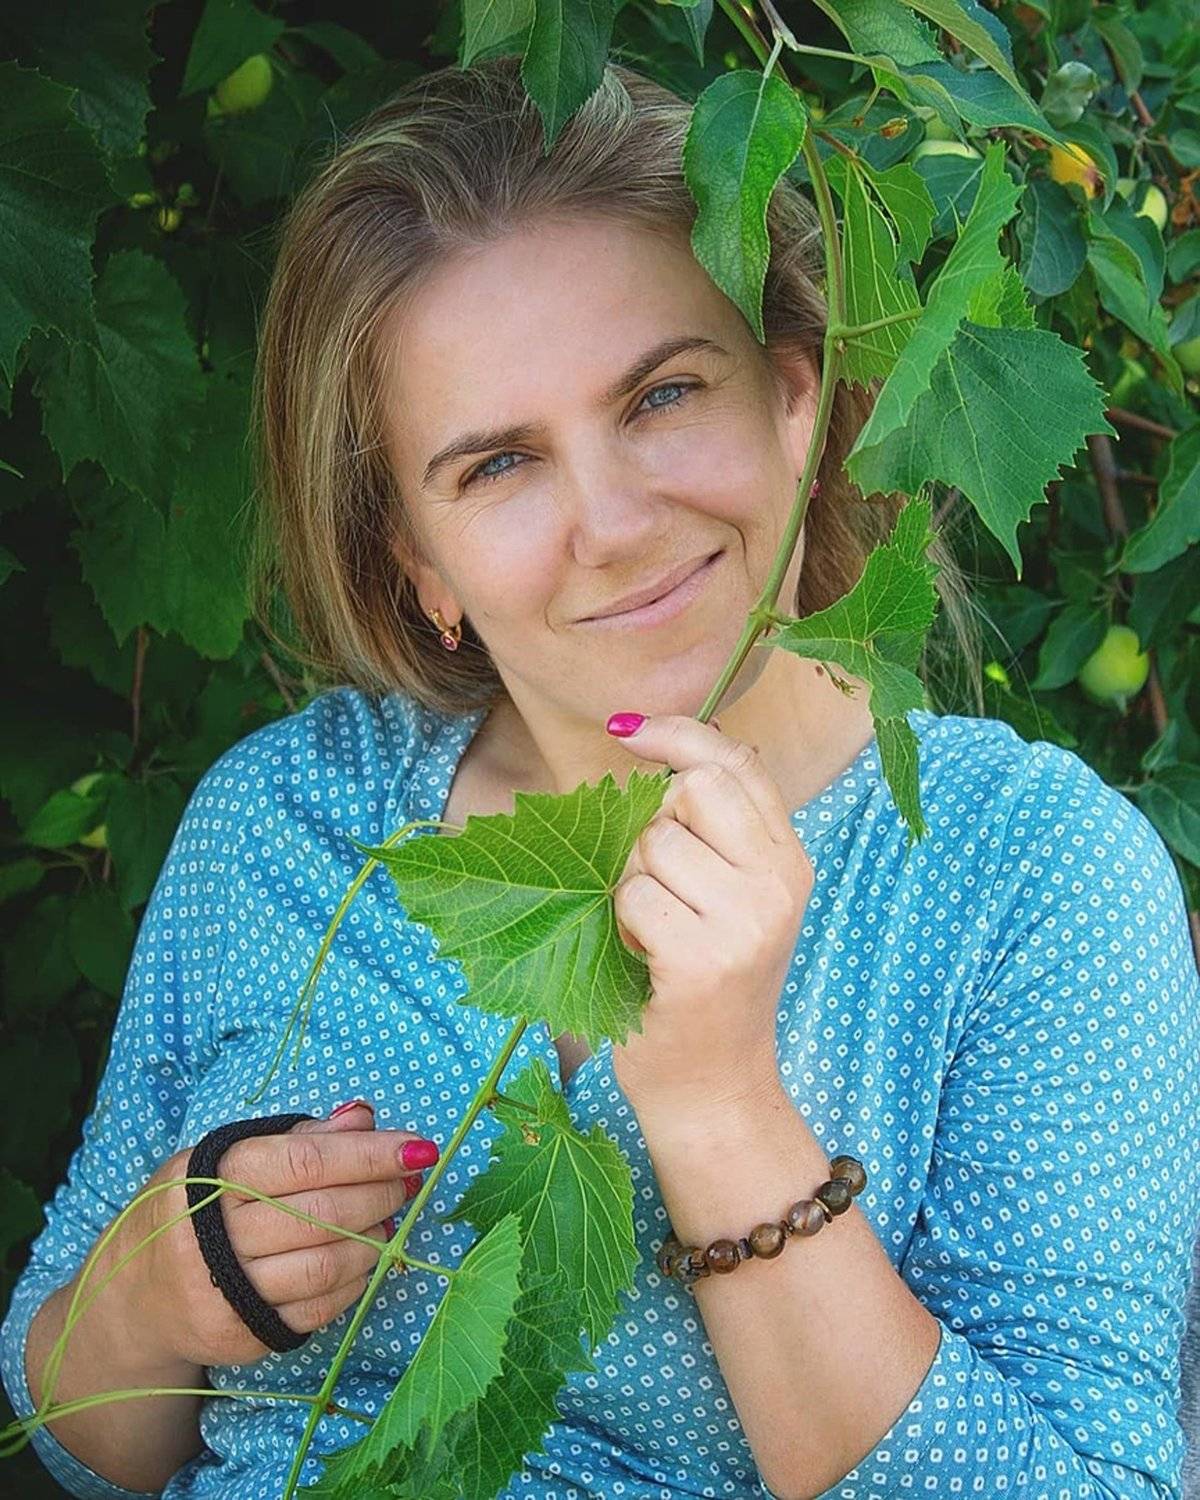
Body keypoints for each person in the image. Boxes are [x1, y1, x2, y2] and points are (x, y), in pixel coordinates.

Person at [4, 52, 1199, 1500]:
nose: (614, 524)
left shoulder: (1033, 874)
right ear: (420, 564)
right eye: (498, 466)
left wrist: (719, 1109)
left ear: (797, 398)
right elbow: (75, 1435)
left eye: (662, 395)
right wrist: (155, 1294)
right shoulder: (289, 821)